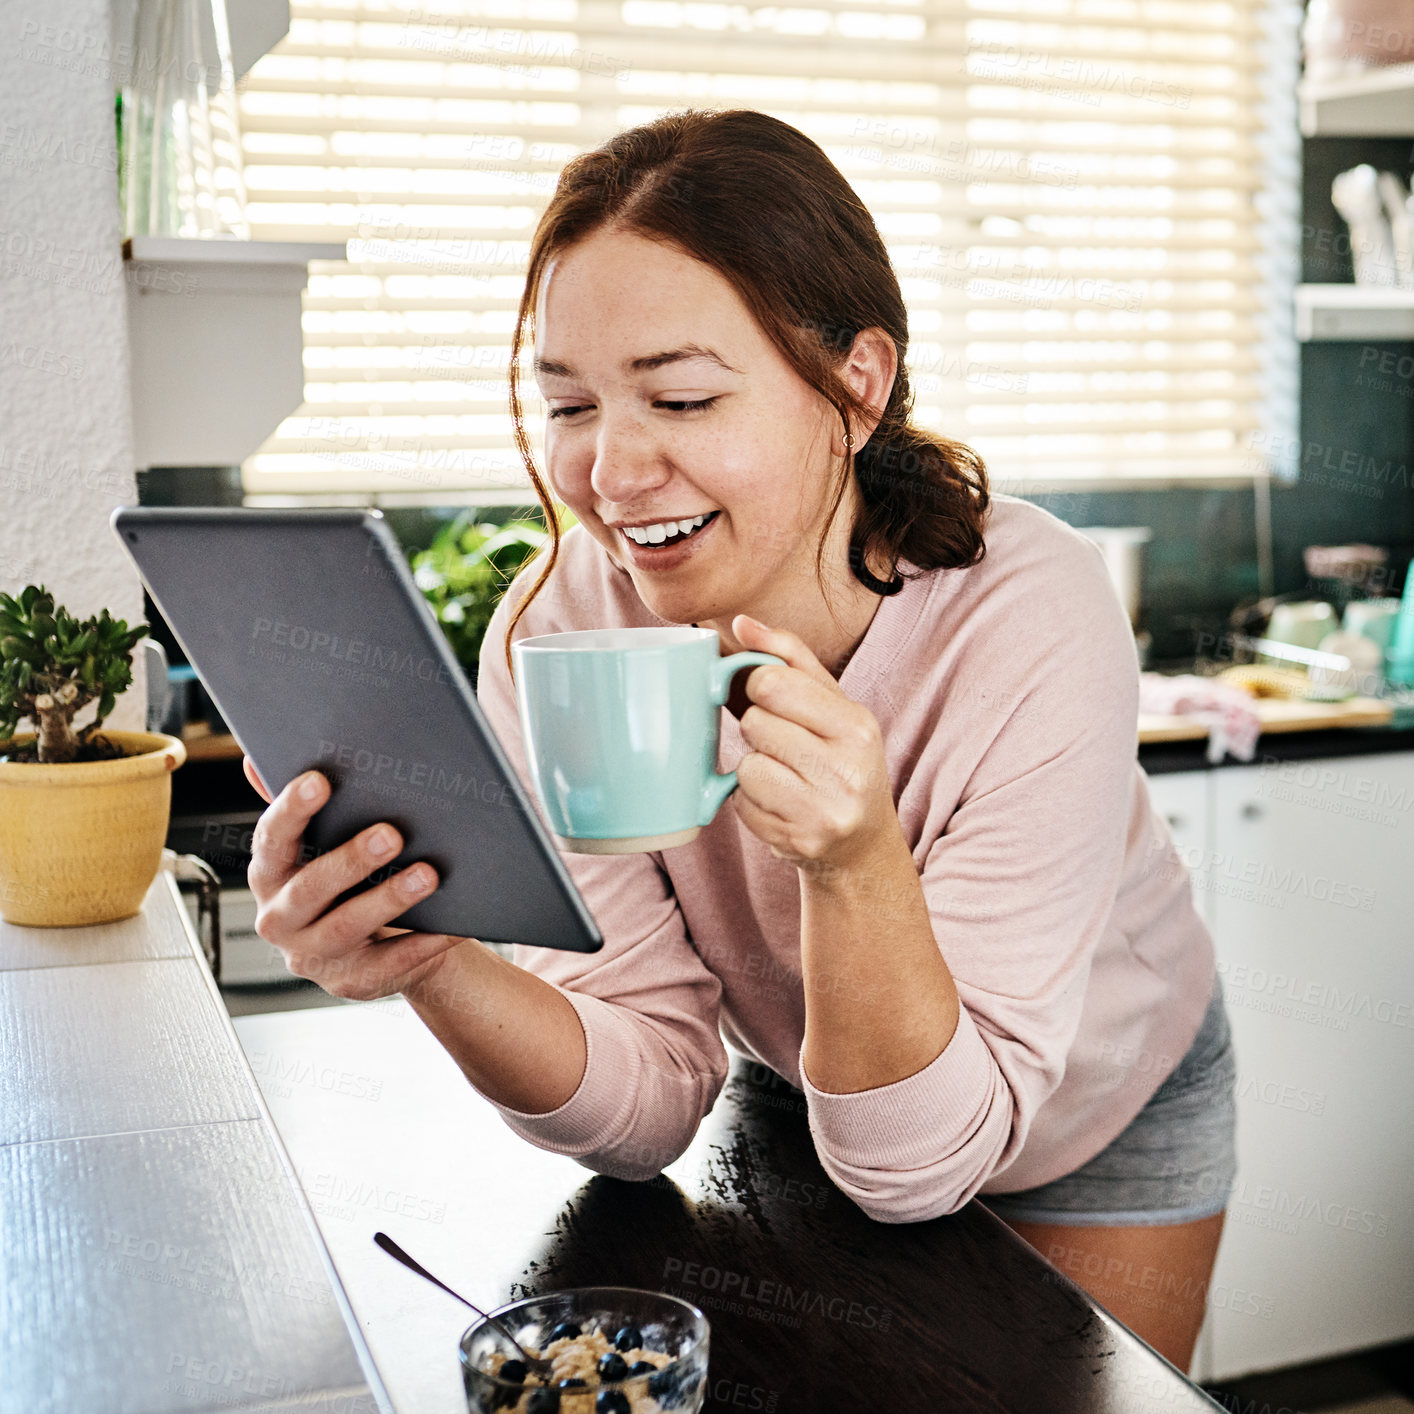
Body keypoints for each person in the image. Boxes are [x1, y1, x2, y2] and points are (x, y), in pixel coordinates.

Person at [244, 108, 1236, 1372]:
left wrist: (852, 858)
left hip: (1103, 1117)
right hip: (825, 1088)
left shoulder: (1025, 613)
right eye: (569, 404)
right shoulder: (559, 628)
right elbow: (648, 1093)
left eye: (681, 395)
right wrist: (432, 963)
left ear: (855, 385)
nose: (608, 470)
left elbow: (916, 1169)